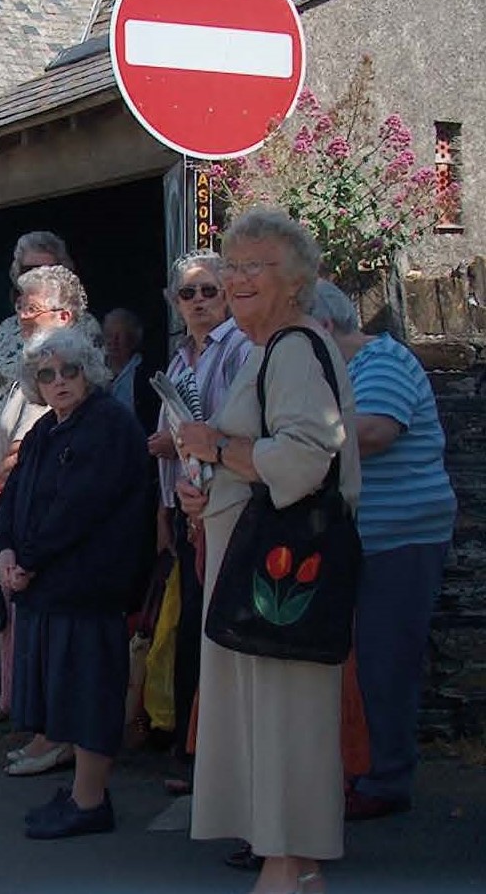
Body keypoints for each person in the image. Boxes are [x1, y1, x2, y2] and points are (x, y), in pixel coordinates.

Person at [175, 207, 360, 894]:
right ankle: (295, 863)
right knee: (268, 712)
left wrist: (218, 449)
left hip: (281, 569)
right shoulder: (267, 349)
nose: (238, 278)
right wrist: (211, 478)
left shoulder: (291, 348)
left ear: (296, 281)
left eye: (257, 267)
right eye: (233, 266)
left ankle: (286, 866)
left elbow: (308, 457)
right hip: (254, 565)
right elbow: (257, 457)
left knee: (285, 715)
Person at [0, 326, 149, 839]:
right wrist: (7, 548)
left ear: (89, 371)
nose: (59, 382)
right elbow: (15, 495)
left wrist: (28, 559)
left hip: (89, 587)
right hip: (50, 586)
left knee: (89, 693)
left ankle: (90, 802)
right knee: (66, 692)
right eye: (47, 374)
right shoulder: (48, 428)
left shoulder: (108, 424)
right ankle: (82, 794)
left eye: (69, 371)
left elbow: (79, 506)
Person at [309, 279, 457, 822]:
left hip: (401, 536)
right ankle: (361, 767)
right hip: (362, 536)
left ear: (323, 327)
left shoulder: (385, 362)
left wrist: (295, 434)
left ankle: (385, 778)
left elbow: (373, 433)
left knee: (384, 660)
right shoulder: (346, 372)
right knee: (359, 660)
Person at [0, 263, 89, 770]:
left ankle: (51, 731)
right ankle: (20, 706)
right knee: (16, 615)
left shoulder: (64, 364)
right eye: (20, 306)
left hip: (41, 516)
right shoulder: (26, 358)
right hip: (10, 506)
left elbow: (28, 445)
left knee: (42, 623)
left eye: (31, 307)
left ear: (63, 314)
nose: (21, 314)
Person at [145, 251, 252, 784]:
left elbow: (233, 427)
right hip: (188, 510)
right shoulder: (182, 358)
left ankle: (211, 758)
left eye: (209, 291)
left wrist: (180, 443)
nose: (200, 302)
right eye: (189, 294)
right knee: (191, 632)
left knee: (216, 633)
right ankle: (193, 750)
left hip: (227, 505)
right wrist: (167, 510)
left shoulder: (237, 350)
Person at [103, 307, 160, 436]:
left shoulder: (149, 376)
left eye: (119, 336)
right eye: (108, 335)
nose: (113, 341)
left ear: (134, 339)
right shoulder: (94, 374)